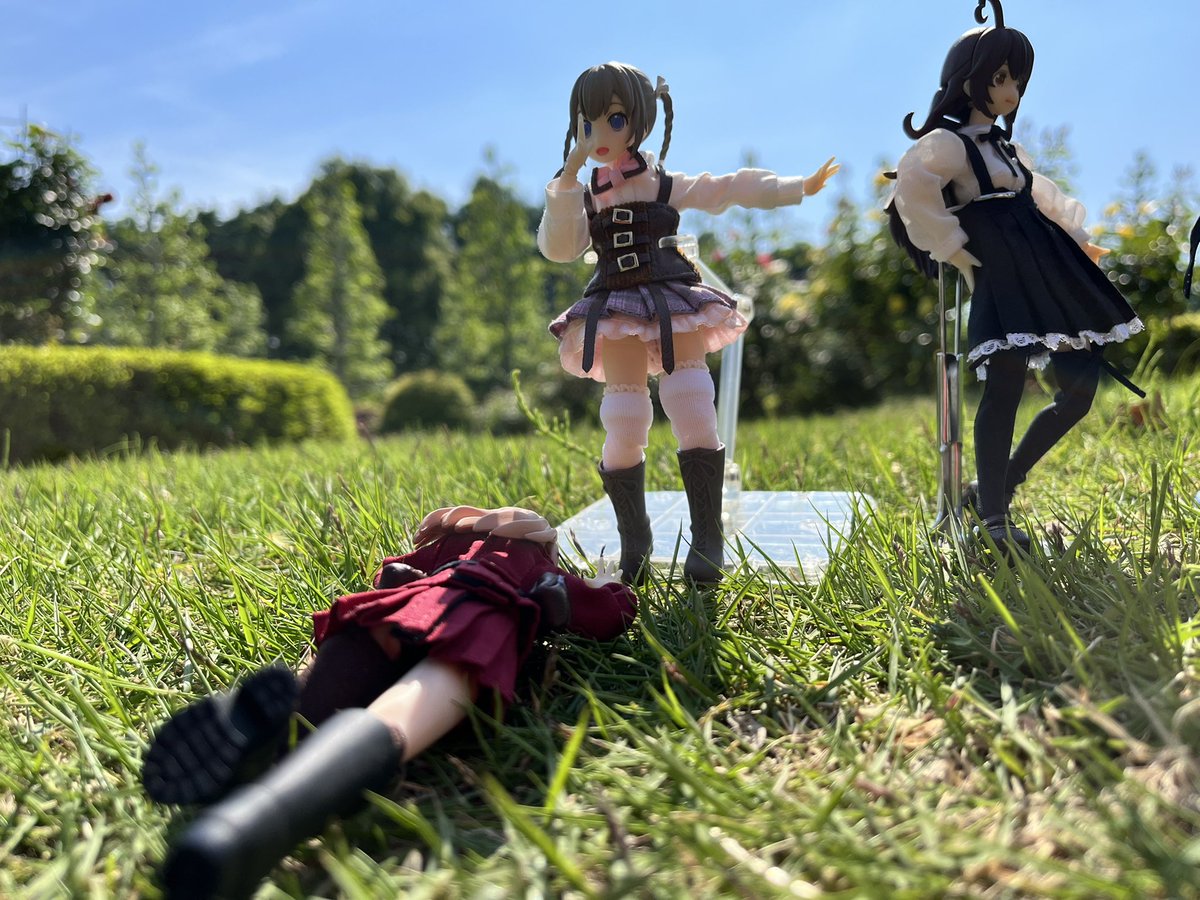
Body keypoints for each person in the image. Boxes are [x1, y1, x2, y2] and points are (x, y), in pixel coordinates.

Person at [142, 505, 636, 899]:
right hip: (484, 620)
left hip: (411, 606)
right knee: (412, 703)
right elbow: (602, 613)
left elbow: (393, 572)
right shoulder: (533, 560)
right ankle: (269, 812)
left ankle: (272, 729)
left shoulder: (451, 546)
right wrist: (611, 594)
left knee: (350, 657)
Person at [538, 61, 838, 584]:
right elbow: (559, 247)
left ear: (638, 121)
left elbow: (725, 188)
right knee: (624, 417)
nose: (599, 135)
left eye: (613, 120)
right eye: (587, 124)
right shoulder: (584, 195)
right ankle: (635, 539)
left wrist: (797, 187)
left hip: (671, 298)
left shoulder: (661, 182)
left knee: (694, 404)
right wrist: (567, 178)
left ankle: (707, 536)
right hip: (615, 304)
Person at [888, 0, 1143, 552]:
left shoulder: (1008, 149)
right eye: (1000, 77)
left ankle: (998, 484)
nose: (1011, 91)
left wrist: (1077, 241)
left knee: (1078, 391)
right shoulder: (948, 146)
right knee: (1003, 387)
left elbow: (1043, 197)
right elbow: (912, 186)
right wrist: (954, 248)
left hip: (1044, 263)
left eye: (1017, 81)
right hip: (1001, 272)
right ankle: (995, 520)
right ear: (968, 79)